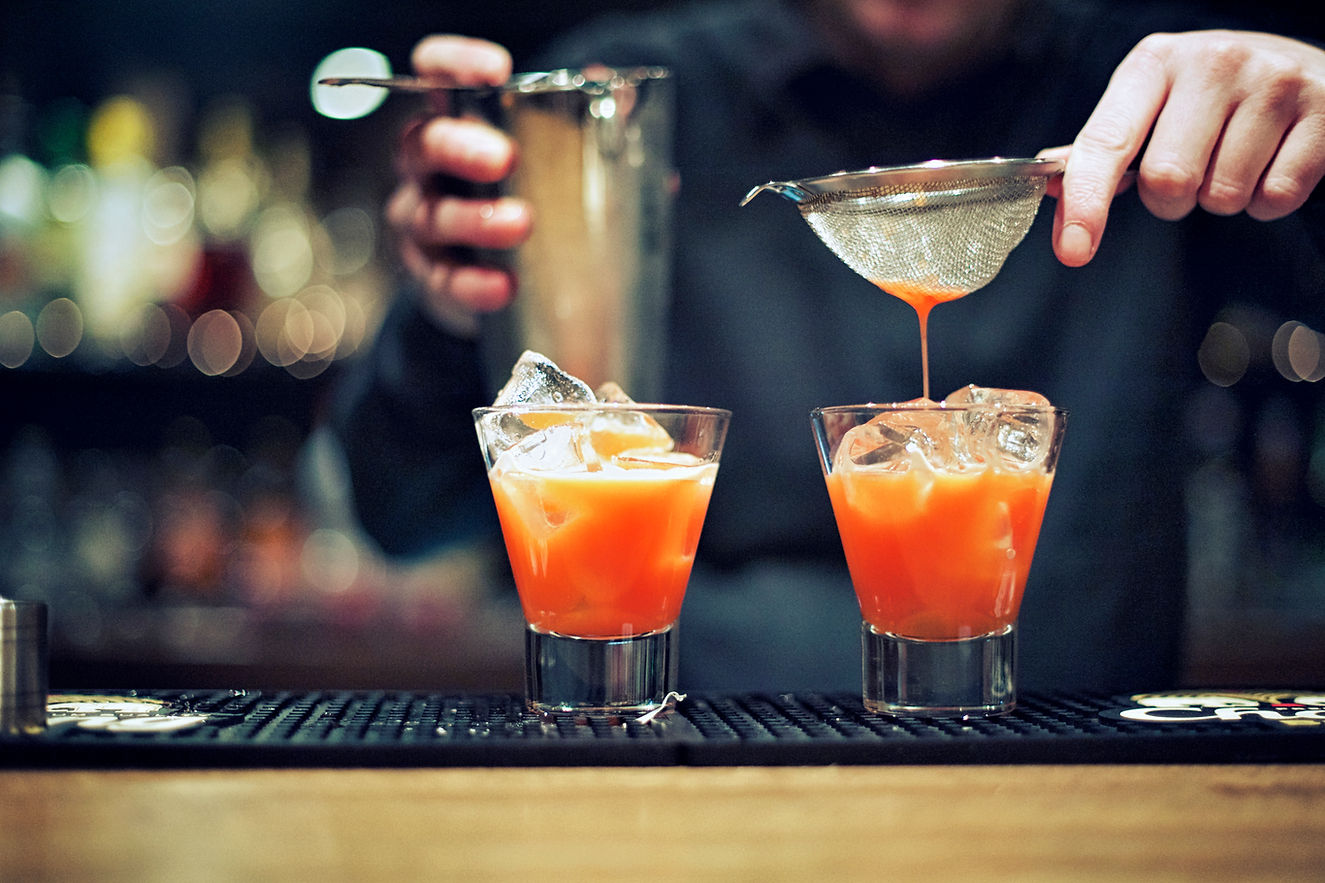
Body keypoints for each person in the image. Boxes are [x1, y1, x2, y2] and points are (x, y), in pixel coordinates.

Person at [331, 0, 1325, 693]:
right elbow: (400, 512)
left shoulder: (1172, 105)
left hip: (1091, 801)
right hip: (689, 795)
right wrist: (464, 307)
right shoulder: (613, 109)